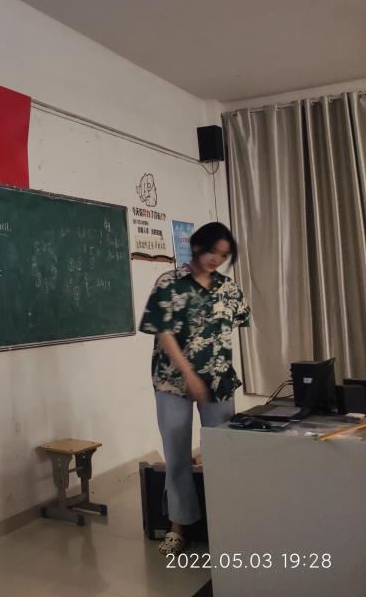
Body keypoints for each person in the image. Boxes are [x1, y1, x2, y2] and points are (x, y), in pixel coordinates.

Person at [140, 222, 250, 556]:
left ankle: (225, 522)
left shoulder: (228, 288)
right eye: (213, 251)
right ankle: (178, 526)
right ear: (198, 246)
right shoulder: (169, 283)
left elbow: (236, 324)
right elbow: (163, 332)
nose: (217, 259)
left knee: (221, 451)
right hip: (173, 381)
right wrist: (189, 374)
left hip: (219, 381)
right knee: (177, 456)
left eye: (224, 255)